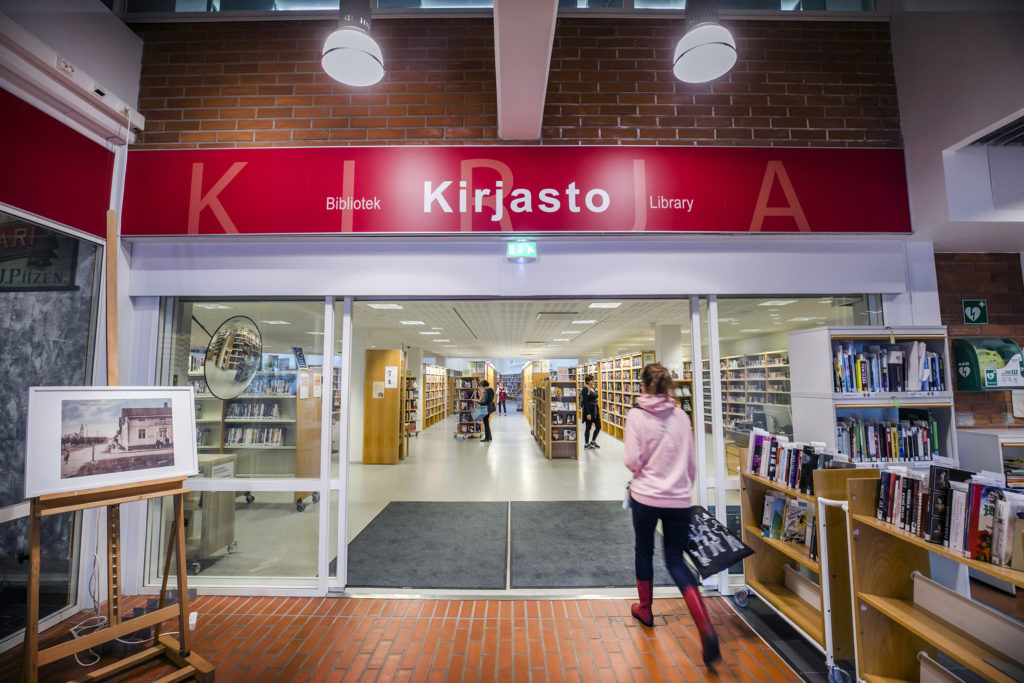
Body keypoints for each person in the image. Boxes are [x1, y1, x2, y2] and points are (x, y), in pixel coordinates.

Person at [624, 362, 720, 667]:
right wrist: (681, 487)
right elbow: (691, 462)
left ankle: (645, 608)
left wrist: (645, 474)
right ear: (669, 387)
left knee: (644, 550)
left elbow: (631, 460)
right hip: (678, 498)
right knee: (676, 561)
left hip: (646, 497)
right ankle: (705, 627)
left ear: (643, 386)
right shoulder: (681, 416)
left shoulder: (636, 416)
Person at [580, 374, 601, 449]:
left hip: (595, 410)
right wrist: (588, 413)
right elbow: (585, 402)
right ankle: (586, 444)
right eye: (592, 380)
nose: (594, 381)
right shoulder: (585, 389)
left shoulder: (593, 388)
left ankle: (593, 441)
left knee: (598, 426)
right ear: (588, 381)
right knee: (588, 428)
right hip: (589, 410)